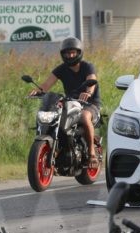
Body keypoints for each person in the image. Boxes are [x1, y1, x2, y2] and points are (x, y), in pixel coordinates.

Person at [29, 37, 101, 169]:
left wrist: (88, 92)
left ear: (79, 52)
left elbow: (92, 80)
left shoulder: (87, 66)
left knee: (84, 116)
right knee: (54, 117)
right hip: (71, 103)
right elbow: (46, 84)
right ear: (63, 54)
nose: (70, 55)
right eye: (67, 53)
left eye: (73, 52)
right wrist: (38, 91)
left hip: (90, 104)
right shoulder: (61, 69)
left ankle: (91, 153)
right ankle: (59, 149)